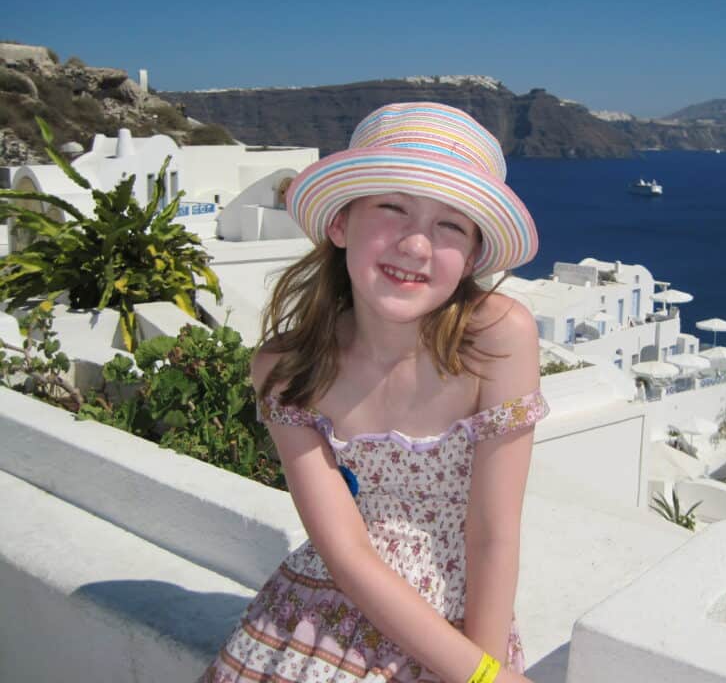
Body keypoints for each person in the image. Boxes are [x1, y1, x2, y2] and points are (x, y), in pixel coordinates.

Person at [200, 103, 547, 683]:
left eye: (451, 225)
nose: (416, 245)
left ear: (471, 257)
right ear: (340, 223)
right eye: (392, 208)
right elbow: (345, 552)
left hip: (461, 627)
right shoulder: (286, 370)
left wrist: (481, 669)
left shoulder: (497, 339)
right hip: (322, 618)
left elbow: (492, 532)